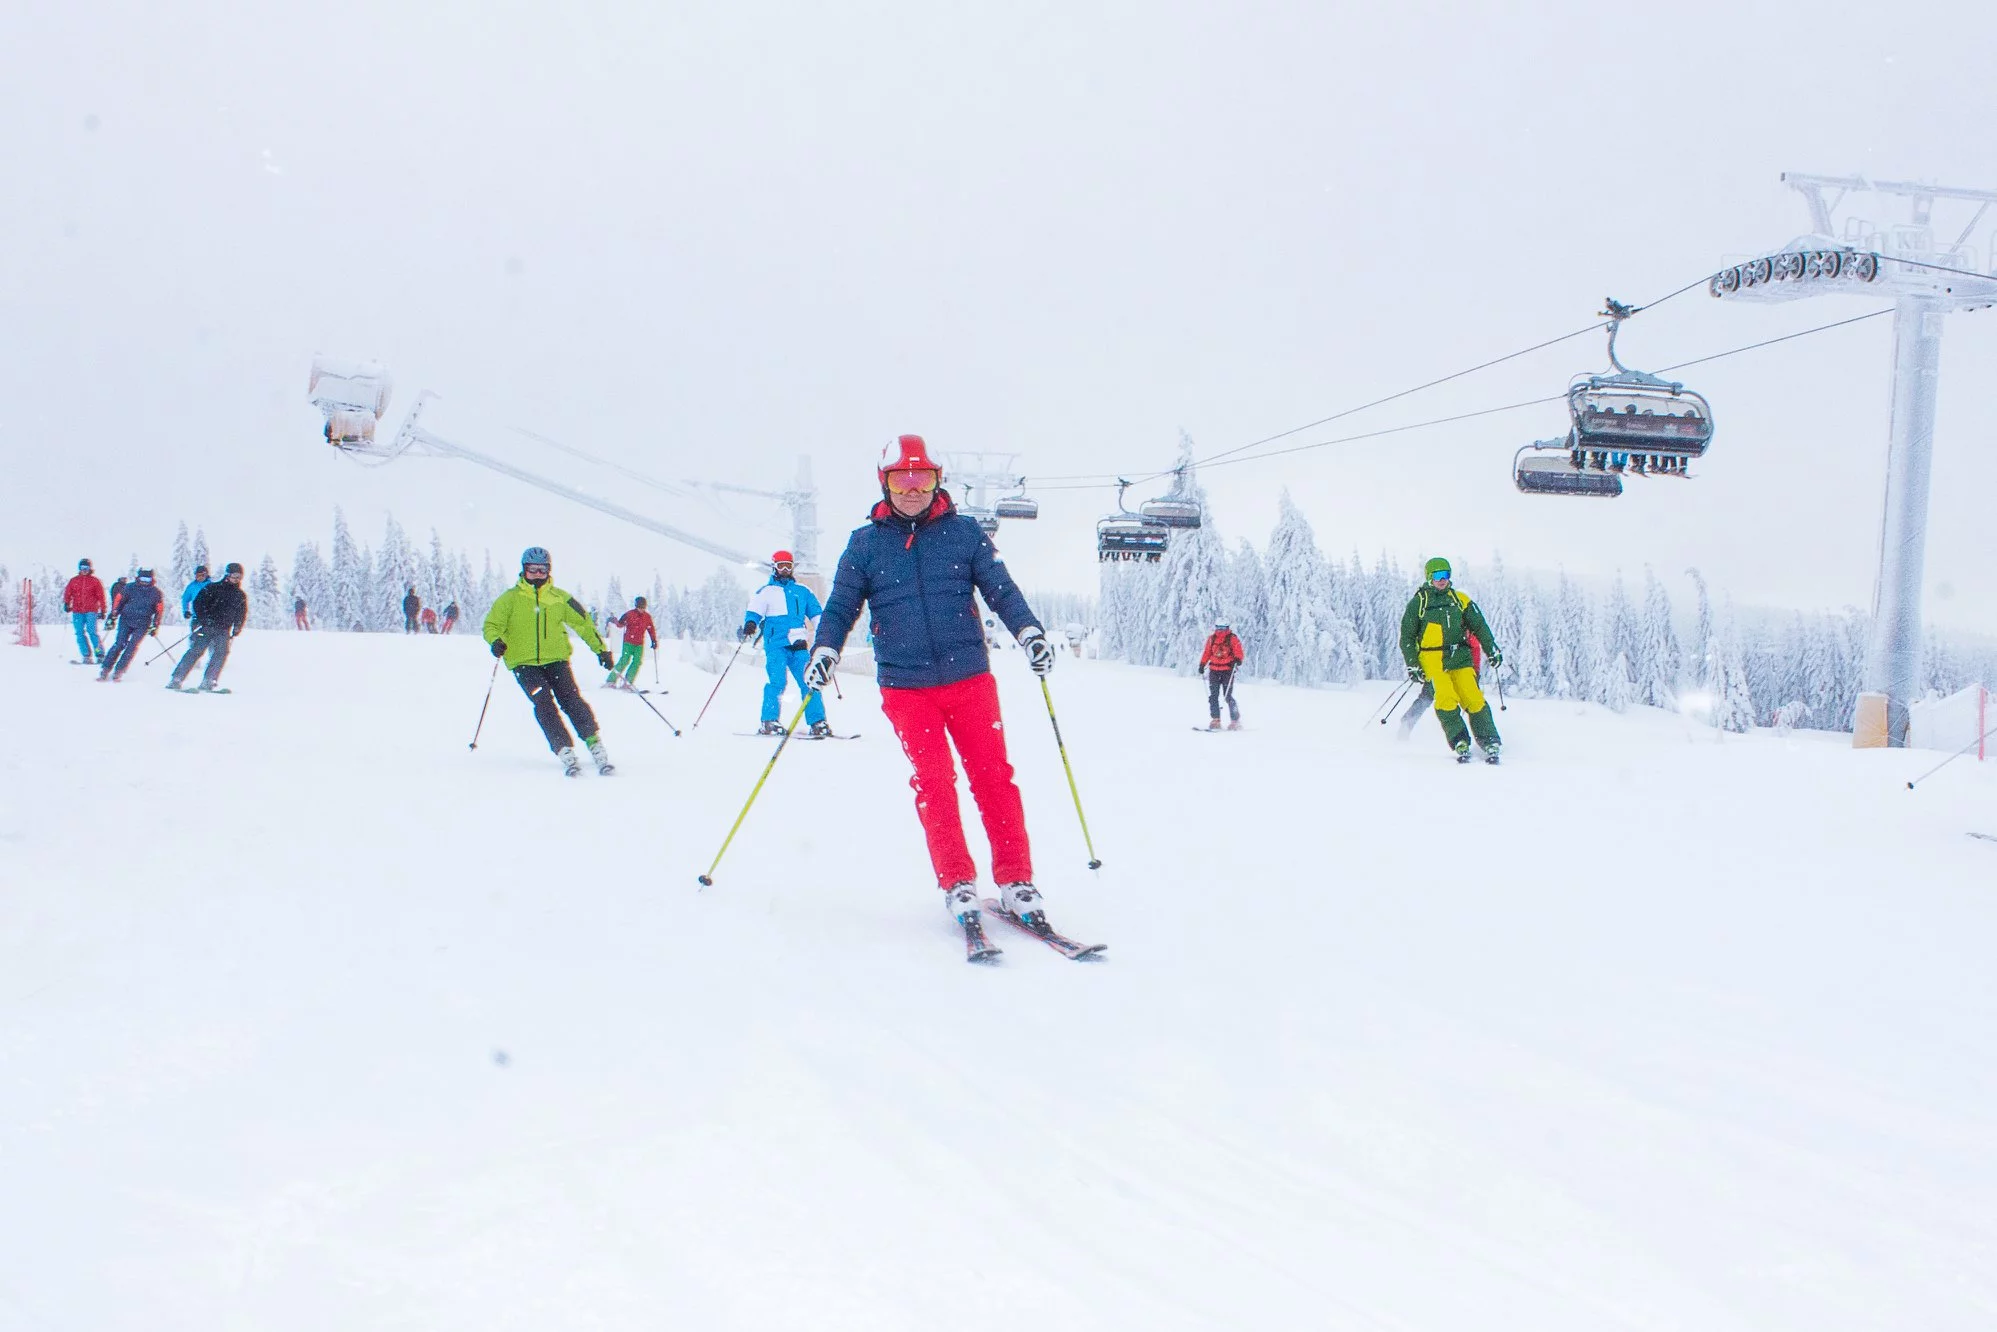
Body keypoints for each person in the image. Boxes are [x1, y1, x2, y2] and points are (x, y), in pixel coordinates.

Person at [805, 435, 1058, 936]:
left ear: (938, 480)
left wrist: (1029, 631)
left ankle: (1016, 881)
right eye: (902, 478)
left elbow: (1001, 590)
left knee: (993, 777)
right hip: (906, 687)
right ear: (886, 482)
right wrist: (825, 648)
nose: (913, 488)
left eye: (923, 477)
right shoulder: (865, 542)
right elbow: (839, 606)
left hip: (969, 679)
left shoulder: (964, 534)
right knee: (935, 781)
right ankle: (958, 881)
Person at [481, 546, 619, 777]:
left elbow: (584, 624)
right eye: (532, 570)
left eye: (541, 570)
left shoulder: (559, 598)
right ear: (524, 570)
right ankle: (563, 748)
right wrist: (495, 641)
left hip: (556, 660)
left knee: (571, 700)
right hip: (523, 664)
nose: (536, 574)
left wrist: (600, 651)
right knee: (543, 703)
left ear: (549, 571)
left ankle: (594, 743)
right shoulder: (510, 599)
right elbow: (491, 625)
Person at [1399, 556, 1503, 763]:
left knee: (1473, 697)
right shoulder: (1419, 603)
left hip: (1460, 657)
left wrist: (1491, 649)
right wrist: (1413, 664)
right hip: (1433, 658)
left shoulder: (1460, 599)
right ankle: (1459, 740)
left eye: (1445, 575)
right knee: (1445, 697)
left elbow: (1479, 626)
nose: (1442, 580)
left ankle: (1489, 740)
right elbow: (1407, 637)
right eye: (1437, 575)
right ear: (1429, 577)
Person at [738, 550, 827, 736]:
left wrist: (825, 632)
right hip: (776, 645)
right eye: (781, 566)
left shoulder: (802, 592)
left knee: (809, 683)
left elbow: (816, 614)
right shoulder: (766, 592)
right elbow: (754, 611)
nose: (785, 569)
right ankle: (769, 721)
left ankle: (818, 722)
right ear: (774, 567)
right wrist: (750, 623)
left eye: (788, 565)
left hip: (799, 645)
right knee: (777, 682)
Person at [169, 561, 248, 691]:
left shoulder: (240, 595)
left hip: (223, 629)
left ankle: (209, 680)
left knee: (221, 653)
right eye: (234, 576)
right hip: (206, 626)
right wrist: (204, 619)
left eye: (239, 577)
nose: (236, 579)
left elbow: (241, 613)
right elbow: (198, 604)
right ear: (227, 575)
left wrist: (238, 626)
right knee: (195, 651)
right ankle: (177, 678)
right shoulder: (213, 588)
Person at [98, 568, 163, 682]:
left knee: (132, 647)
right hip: (126, 619)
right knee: (119, 644)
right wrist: (113, 616)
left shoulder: (156, 593)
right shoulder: (129, 588)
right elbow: (118, 602)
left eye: (147, 579)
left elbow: (159, 610)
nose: (144, 581)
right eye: (142, 578)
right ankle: (105, 669)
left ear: (151, 579)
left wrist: (155, 625)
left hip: (143, 623)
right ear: (138, 578)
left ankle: (119, 670)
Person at [1197, 619, 1245, 730]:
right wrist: (1202, 664)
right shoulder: (1211, 639)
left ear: (1227, 628)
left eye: (1223, 628)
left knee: (1227, 695)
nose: (1220, 631)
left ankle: (1235, 720)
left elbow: (1239, 651)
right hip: (1214, 670)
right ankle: (1216, 719)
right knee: (1213, 696)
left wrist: (1238, 660)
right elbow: (1207, 652)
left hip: (1227, 670)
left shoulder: (1232, 638)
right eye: (1218, 628)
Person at [606, 595, 659, 689]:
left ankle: (628, 682)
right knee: (624, 661)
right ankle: (611, 680)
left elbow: (651, 629)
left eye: (643, 607)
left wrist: (654, 640)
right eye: (640, 607)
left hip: (639, 644)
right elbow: (620, 625)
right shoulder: (629, 614)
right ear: (636, 606)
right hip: (628, 642)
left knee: (637, 662)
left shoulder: (647, 617)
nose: (642, 609)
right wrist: (614, 621)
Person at [63, 558, 107, 664]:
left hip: (91, 611)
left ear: (90, 569)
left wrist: (103, 610)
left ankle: (99, 653)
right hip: (77, 611)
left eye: (86, 568)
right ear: (79, 569)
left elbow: (101, 596)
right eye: (82, 568)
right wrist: (66, 603)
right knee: (79, 633)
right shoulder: (74, 581)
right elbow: (68, 593)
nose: (84, 570)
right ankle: (86, 655)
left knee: (92, 632)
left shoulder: (95, 581)